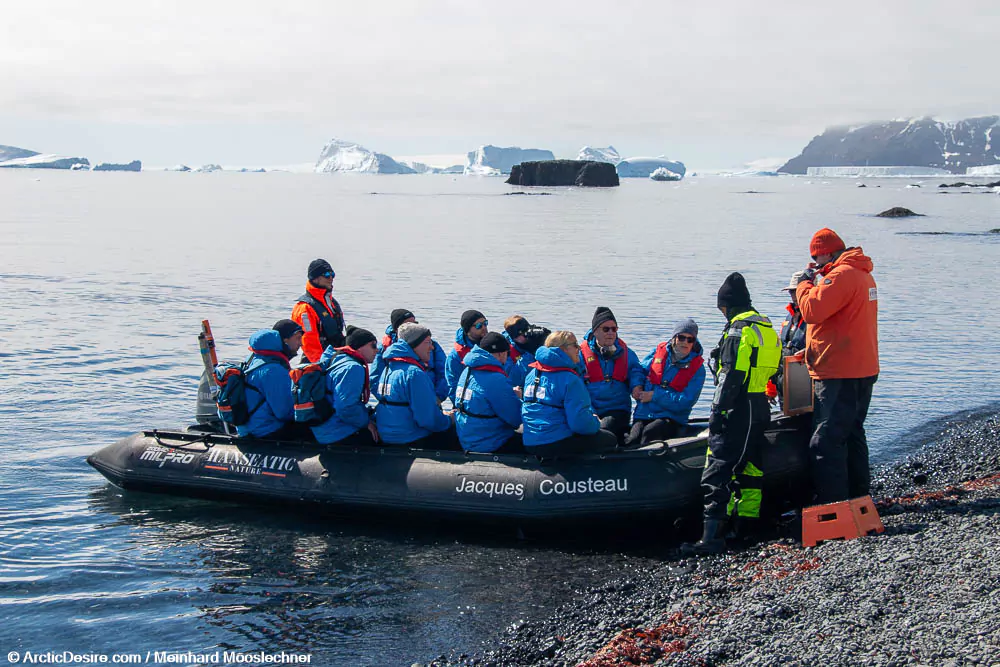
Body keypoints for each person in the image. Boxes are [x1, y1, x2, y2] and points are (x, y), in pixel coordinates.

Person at [687, 273, 781, 554]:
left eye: (722, 308)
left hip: (738, 407)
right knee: (751, 468)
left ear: (728, 306)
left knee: (718, 468)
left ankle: (712, 536)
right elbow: (775, 369)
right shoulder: (767, 328)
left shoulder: (739, 330)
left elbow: (731, 375)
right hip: (760, 406)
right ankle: (747, 527)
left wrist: (718, 410)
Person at [795, 228, 879, 505]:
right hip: (862, 367)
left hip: (840, 371)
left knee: (827, 441)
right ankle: (859, 500)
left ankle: (835, 507)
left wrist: (803, 285)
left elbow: (811, 311)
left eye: (815, 258)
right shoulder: (861, 273)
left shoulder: (841, 275)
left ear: (826, 252)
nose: (815, 265)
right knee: (852, 433)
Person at [522, 330, 618, 456]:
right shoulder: (569, 379)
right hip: (556, 441)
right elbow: (579, 424)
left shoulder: (532, 374)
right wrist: (596, 423)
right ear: (563, 349)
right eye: (575, 345)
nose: (579, 348)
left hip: (531, 442)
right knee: (609, 436)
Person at [376, 322, 460, 449]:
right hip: (411, 437)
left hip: (387, 435)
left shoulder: (389, 368)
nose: (432, 347)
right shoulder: (413, 373)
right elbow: (428, 420)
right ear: (415, 344)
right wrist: (450, 419)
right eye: (428, 342)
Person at [627, 318, 706, 446]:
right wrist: (637, 386)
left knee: (650, 432)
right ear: (674, 338)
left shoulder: (698, 369)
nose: (685, 342)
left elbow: (686, 401)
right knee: (633, 438)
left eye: (690, 339)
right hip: (644, 414)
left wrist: (655, 396)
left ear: (693, 343)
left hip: (672, 418)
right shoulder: (657, 354)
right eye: (681, 337)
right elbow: (638, 370)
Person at [575, 307, 645, 445]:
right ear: (595, 331)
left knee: (605, 428)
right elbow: (576, 387)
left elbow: (636, 370)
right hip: (590, 409)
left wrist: (637, 385)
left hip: (617, 408)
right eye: (606, 329)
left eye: (614, 329)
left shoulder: (626, 352)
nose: (611, 333)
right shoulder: (580, 355)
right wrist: (591, 413)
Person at [454, 333, 525, 454]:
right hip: (490, 442)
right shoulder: (496, 379)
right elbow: (515, 418)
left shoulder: (467, 370)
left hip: (467, 438)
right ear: (501, 354)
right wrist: (518, 398)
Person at [310, 326, 381, 447]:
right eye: (373, 345)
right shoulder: (353, 368)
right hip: (337, 431)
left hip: (324, 427)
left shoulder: (336, 359)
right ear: (359, 347)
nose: (377, 350)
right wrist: (366, 423)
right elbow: (346, 407)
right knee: (382, 436)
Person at [237, 320, 306, 440]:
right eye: (298, 338)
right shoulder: (273, 370)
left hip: (247, 427)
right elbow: (284, 412)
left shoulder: (253, 359)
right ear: (285, 341)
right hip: (265, 430)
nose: (301, 343)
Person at [372, 308, 449, 402]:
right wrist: (388, 400)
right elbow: (375, 379)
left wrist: (437, 398)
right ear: (397, 329)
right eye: (408, 324)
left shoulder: (431, 346)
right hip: (398, 402)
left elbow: (444, 373)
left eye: (415, 323)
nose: (412, 327)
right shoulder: (385, 349)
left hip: (430, 399)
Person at [291, 258, 346, 363]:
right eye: (326, 275)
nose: (331, 278)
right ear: (315, 278)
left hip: (335, 358)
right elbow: (308, 342)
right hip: (316, 364)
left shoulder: (331, 302)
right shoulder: (305, 308)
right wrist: (322, 365)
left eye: (332, 274)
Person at [767, 272, 809, 402]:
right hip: (784, 379)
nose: (793, 296)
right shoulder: (789, 317)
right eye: (791, 292)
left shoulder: (817, 317)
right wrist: (771, 389)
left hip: (805, 381)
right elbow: (779, 351)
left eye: (797, 291)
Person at [445, 309, 489, 404]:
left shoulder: (491, 344)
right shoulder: (456, 355)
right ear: (468, 330)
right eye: (479, 326)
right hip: (467, 403)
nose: (484, 327)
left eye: (485, 323)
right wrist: (460, 405)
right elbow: (452, 384)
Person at [501, 315, 536, 393]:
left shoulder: (534, 342)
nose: (526, 336)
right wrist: (530, 353)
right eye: (522, 334)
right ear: (514, 337)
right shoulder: (506, 351)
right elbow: (513, 380)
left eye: (527, 331)